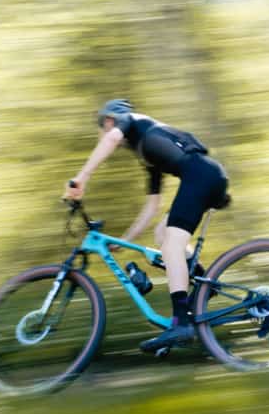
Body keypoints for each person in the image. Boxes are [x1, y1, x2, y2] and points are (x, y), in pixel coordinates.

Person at [63, 98, 230, 351]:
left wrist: (82, 177)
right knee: (162, 234)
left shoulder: (131, 121)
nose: (103, 134)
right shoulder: (147, 152)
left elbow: (110, 139)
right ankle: (204, 285)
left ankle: (180, 323)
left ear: (109, 120)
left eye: (103, 127)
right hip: (205, 176)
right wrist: (126, 239)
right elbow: (152, 206)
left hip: (201, 176)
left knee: (172, 246)